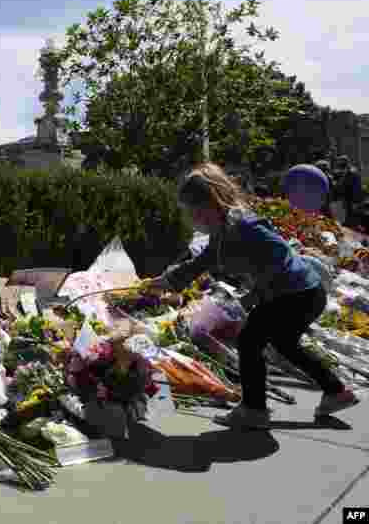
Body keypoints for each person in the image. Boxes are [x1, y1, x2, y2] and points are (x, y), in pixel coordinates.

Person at [147, 162, 358, 429]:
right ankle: (336, 392)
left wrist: (257, 294)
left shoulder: (245, 226)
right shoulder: (223, 229)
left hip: (296, 293)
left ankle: (254, 410)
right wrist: (166, 280)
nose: (193, 220)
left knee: (249, 341)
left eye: (195, 212)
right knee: (284, 343)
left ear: (213, 203)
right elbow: (204, 262)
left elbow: (280, 258)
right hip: (300, 292)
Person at [335, 156, 364, 224]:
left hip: (352, 199)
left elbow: (353, 186)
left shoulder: (351, 172)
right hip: (349, 199)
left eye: (340, 162)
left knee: (353, 218)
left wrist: (355, 201)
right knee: (349, 217)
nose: (339, 165)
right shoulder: (348, 171)